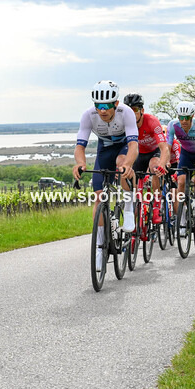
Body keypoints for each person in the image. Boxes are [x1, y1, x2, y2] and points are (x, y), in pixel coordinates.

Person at [73, 80, 140, 269]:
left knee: (121, 165)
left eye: (106, 106)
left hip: (124, 147)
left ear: (115, 104)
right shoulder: (88, 116)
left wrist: (128, 164)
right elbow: (80, 146)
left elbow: (134, 145)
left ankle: (128, 208)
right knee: (98, 198)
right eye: (98, 106)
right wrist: (80, 163)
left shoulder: (126, 112)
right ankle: (100, 246)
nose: (102, 110)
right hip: (104, 150)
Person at [123, 93, 170, 223]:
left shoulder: (152, 122)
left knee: (155, 167)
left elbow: (164, 147)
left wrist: (162, 164)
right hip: (138, 154)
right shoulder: (124, 124)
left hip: (153, 152)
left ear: (142, 110)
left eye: (135, 110)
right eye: (128, 110)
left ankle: (156, 206)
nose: (131, 114)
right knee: (130, 178)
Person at [166, 101, 195, 229]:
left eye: (187, 117)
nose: (184, 121)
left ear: (192, 116)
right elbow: (167, 147)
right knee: (180, 182)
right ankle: (182, 217)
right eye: (181, 117)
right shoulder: (173, 125)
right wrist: (165, 161)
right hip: (186, 154)